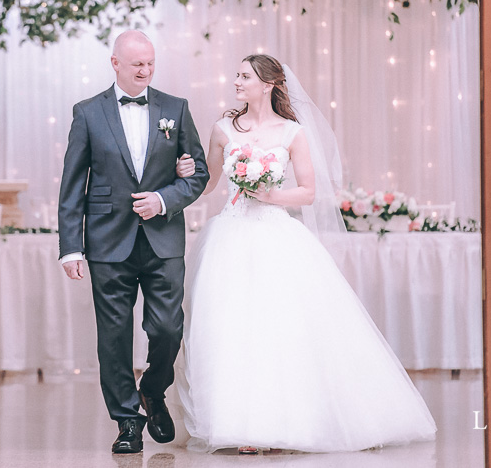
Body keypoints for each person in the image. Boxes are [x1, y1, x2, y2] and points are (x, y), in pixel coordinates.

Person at [174, 53, 437, 453]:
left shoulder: (292, 132)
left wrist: (270, 193)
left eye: (244, 76)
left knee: (279, 328)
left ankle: (282, 422)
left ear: (268, 84)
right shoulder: (223, 129)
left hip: (275, 234)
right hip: (229, 236)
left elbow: (309, 192)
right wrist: (185, 174)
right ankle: (238, 425)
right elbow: (208, 184)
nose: (236, 82)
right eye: (237, 75)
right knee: (231, 328)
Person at [58, 30, 209, 454]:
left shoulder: (175, 109)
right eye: (137, 64)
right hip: (107, 241)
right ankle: (126, 421)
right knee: (114, 336)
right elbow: (72, 186)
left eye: (150, 63)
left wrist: (164, 199)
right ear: (115, 63)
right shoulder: (87, 113)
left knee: (167, 328)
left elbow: (198, 171)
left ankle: (154, 390)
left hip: (162, 240)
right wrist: (71, 247)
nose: (145, 71)